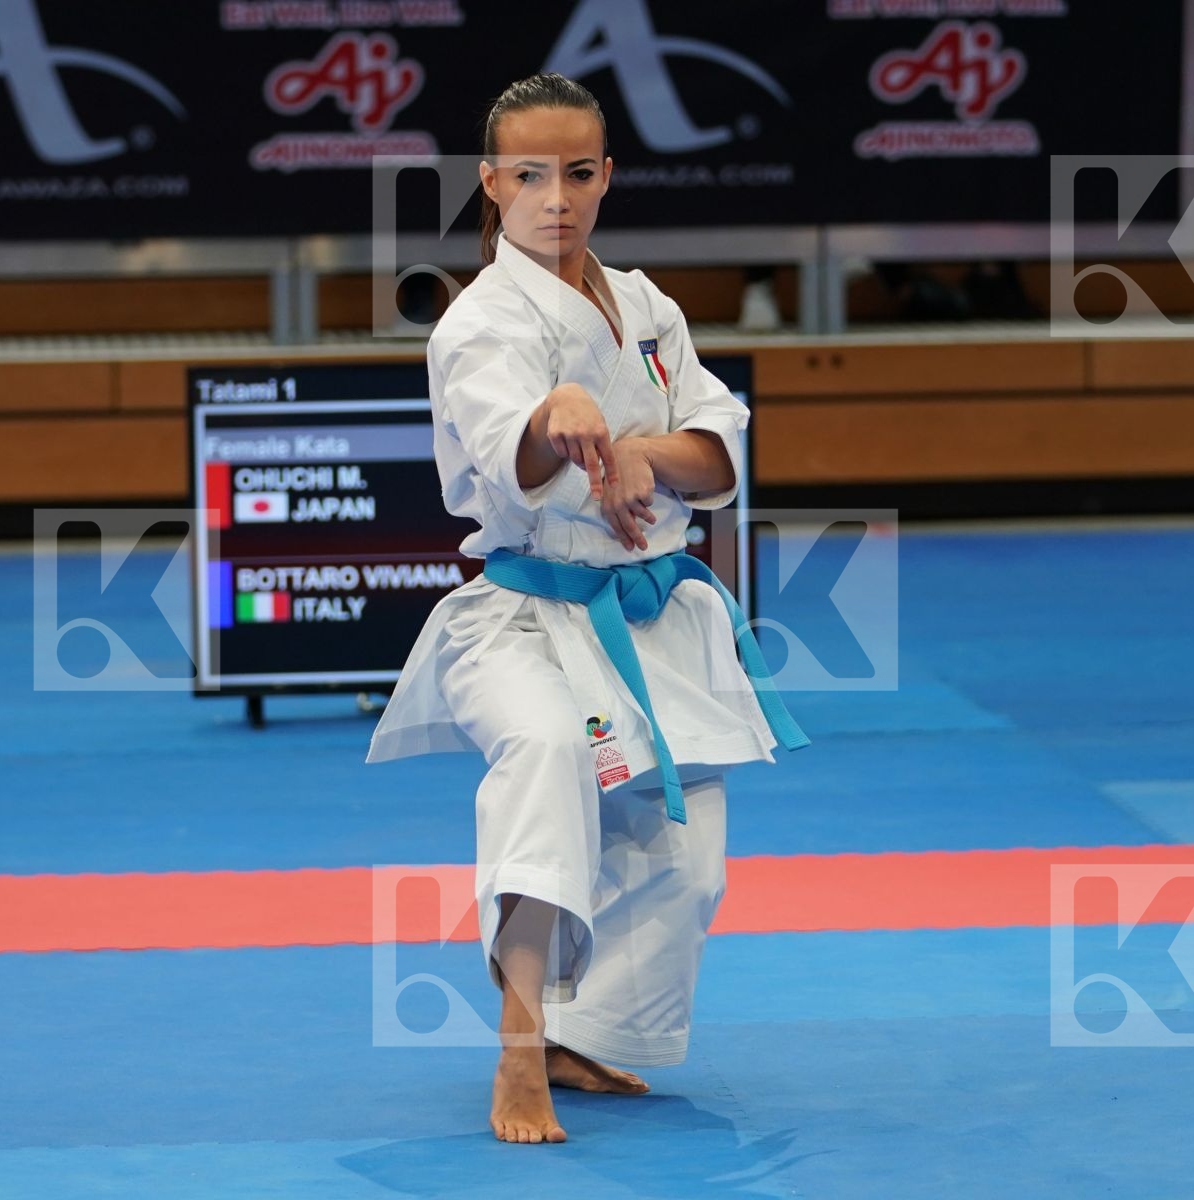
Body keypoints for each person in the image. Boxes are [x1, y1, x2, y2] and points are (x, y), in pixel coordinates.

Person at [363, 73, 807, 1145]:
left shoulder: (647, 305)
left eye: (574, 172)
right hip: (521, 612)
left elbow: (716, 452)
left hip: (649, 613)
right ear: (491, 183)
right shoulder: (480, 326)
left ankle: (578, 1032)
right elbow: (509, 452)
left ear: (605, 176)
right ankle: (518, 1048)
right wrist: (555, 419)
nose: (552, 196)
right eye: (527, 174)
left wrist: (632, 449)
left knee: (686, 852)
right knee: (552, 755)